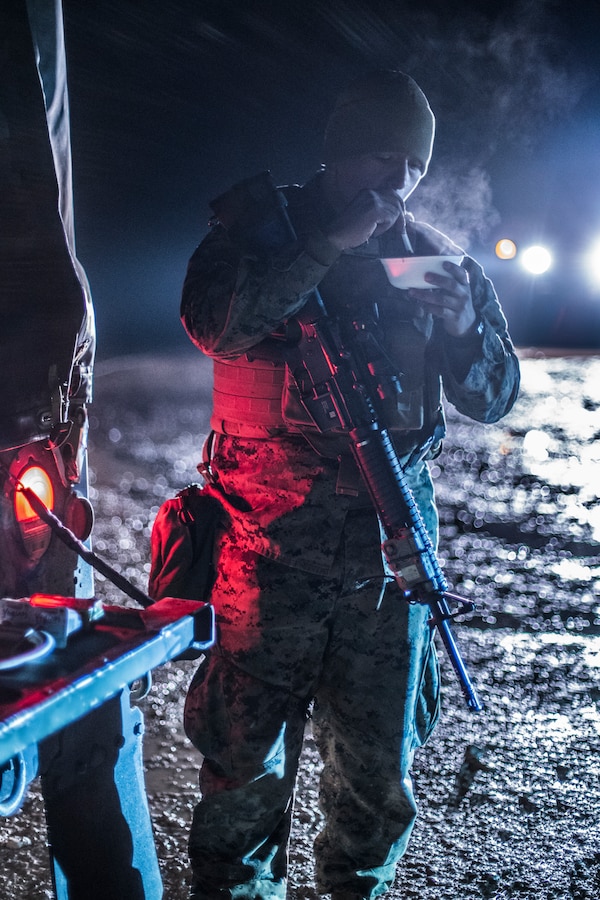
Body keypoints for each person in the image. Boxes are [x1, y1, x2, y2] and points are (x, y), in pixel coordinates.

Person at [179, 69, 520, 900]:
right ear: (338, 154)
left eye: (413, 166)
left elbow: (494, 396)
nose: (398, 183)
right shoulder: (262, 229)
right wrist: (323, 247)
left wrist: (463, 328)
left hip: (388, 562)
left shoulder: (435, 257)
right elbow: (215, 326)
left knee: (375, 785)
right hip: (265, 551)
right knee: (243, 779)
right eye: (381, 158)